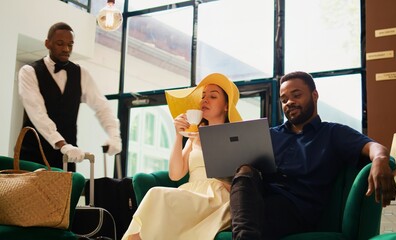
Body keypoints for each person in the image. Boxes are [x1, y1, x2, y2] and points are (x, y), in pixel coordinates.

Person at [229, 71, 396, 240]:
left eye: (296, 95)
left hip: (298, 210)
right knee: (245, 170)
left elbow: (373, 146)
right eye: (284, 99)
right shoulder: (268, 135)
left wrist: (380, 159)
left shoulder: (333, 133)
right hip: (258, 201)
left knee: (249, 214)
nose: (289, 102)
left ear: (314, 95)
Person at [122, 73, 242, 240]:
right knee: (155, 201)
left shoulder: (233, 137)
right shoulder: (194, 137)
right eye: (203, 96)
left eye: (213, 96)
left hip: (216, 197)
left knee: (156, 194)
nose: (204, 100)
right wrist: (179, 135)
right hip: (189, 193)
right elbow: (175, 174)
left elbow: (237, 183)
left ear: (226, 106)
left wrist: (209, 146)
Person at [18, 22, 122, 171]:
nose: (66, 49)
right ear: (48, 43)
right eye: (60, 44)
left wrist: (114, 135)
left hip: (68, 156)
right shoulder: (29, 72)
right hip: (33, 155)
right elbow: (37, 114)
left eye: (70, 45)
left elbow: (102, 106)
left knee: (68, 194)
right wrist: (62, 145)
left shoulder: (81, 74)